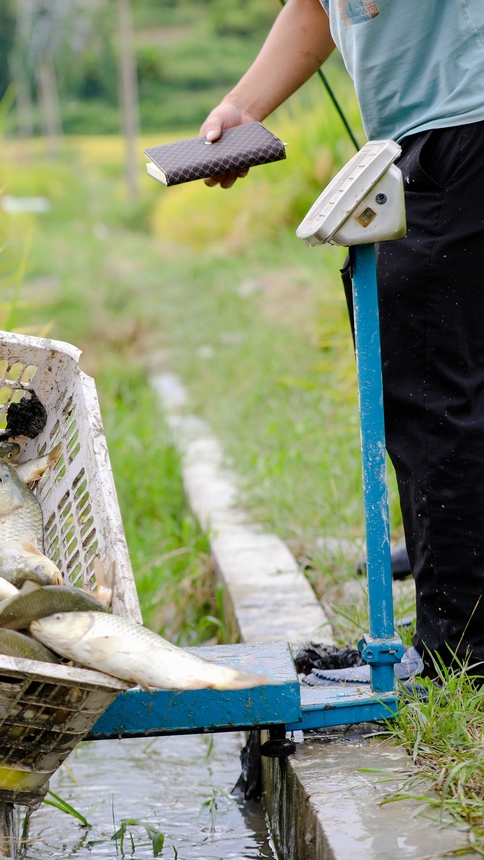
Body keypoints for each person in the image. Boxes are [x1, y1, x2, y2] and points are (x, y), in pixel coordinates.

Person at [201, 1, 484, 676]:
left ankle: (460, 651)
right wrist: (245, 105)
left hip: (457, 128)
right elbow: (313, 7)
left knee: (429, 386)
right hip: (431, 131)